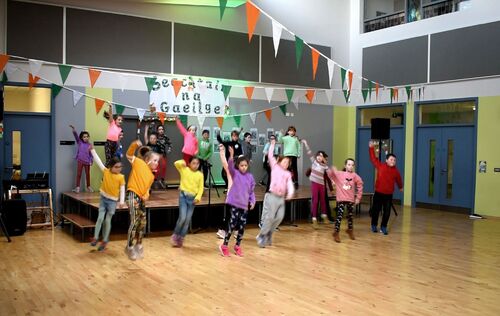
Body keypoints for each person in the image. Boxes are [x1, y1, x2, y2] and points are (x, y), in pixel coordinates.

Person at [124, 140, 160, 260]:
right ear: (147, 160)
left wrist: (146, 195)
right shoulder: (139, 163)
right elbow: (128, 155)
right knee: (134, 221)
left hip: (140, 198)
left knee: (142, 223)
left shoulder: (151, 175)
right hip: (132, 194)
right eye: (155, 160)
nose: (157, 163)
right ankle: (129, 246)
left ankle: (138, 245)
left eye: (157, 161)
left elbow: (147, 189)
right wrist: (134, 145)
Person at [256, 138, 294, 248]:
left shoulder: (287, 174)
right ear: (279, 161)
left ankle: (269, 233)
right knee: (270, 217)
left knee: (279, 217)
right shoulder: (275, 167)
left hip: (281, 198)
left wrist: (290, 193)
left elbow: (290, 185)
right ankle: (262, 235)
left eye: (288, 162)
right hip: (272, 196)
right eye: (285, 161)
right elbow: (270, 155)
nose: (286, 164)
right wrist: (272, 145)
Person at [218, 145, 256, 257]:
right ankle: (224, 245)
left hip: (244, 205)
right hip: (234, 203)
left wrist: (252, 201)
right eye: (241, 165)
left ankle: (237, 246)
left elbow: (251, 191)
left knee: (242, 226)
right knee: (232, 223)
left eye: (245, 165)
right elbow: (228, 166)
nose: (244, 167)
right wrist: (230, 154)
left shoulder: (250, 177)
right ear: (238, 166)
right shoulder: (235, 174)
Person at [89, 148, 126, 251]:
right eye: (116, 167)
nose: (119, 169)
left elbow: (122, 190)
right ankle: (95, 238)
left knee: (107, 220)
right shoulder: (106, 171)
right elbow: (98, 161)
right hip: (103, 199)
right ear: (111, 167)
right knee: (100, 218)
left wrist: (122, 202)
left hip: (112, 202)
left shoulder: (121, 177)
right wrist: (92, 151)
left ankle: (105, 240)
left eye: (120, 167)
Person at [368, 141, 403, 235]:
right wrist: (371, 148)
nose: (393, 161)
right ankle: (373, 225)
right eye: (391, 159)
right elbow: (373, 158)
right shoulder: (380, 166)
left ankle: (383, 227)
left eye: (394, 160)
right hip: (378, 193)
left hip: (388, 195)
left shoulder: (396, 171)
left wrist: (400, 187)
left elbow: (399, 180)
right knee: (376, 210)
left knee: (387, 212)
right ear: (386, 160)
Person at [327, 158, 364, 242]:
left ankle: (350, 230)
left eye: (352, 165)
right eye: (349, 164)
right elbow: (330, 175)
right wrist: (332, 169)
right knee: (339, 216)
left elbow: (360, 184)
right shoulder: (340, 174)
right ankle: (336, 232)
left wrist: (358, 197)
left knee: (350, 216)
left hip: (350, 199)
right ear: (345, 165)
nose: (350, 166)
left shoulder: (355, 176)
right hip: (341, 199)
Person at [171, 157, 204, 247]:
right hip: (183, 197)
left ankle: (181, 238)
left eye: (197, 163)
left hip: (192, 199)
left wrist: (197, 198)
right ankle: (175, 235)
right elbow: (176, 163)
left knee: (187, 220)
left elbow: (201, 188)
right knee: (182, 217)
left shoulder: (200, 175)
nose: (195, 165)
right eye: (193, 163)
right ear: (189, 163)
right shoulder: (184, 170)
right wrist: (183, 162)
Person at [302, 140, 329, 229]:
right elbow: (309, 152)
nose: (319, 157)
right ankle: (314, 218)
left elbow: (328, 170)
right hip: (315, 183)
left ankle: (324, 216)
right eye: (318, 155)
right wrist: (306, 144)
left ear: (323, 158)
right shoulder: (314, 162)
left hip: (322, 185)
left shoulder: (324, 166)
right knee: (315, 200)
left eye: (321, 156)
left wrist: (325, 161)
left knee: (323, 200)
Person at [69, 125, 93, 193]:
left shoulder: (90, 145)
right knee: (79, 174)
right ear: (82, 138)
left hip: (87, 161)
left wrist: (91, 161)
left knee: (87, 174)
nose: (86, 138)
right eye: (84, 137)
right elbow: (76, 136)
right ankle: (77, 188)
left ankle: (88, 187)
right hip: (80, 161)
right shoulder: (80, 142)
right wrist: (74, 130)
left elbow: (91, 155)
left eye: (87, 136)